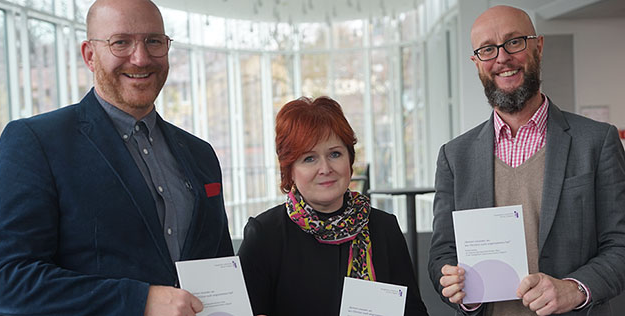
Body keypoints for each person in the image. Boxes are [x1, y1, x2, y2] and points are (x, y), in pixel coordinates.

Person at [0, 0, 233, 315]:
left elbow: (219, 266)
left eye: (154, 41)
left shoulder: (200, 154)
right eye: (121, 42)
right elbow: (5, 279)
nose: (141, 57)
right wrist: (139, 301)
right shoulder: (36, 142)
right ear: (89, 55)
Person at [428, 5, 625, 316]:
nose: (502, 58)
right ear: (476, 62)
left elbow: (620, 245)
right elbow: (442, 254)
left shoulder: (597, 142)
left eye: (514, 42)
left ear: (539, 46)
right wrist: (454, 284)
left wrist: (574, 289)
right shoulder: (455, 157)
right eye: (487, 49)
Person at [237, 96, 428, 316]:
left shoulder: (384, 228)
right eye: (309, 158)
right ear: (289, 170)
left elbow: (413, 310)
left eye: (335, 154)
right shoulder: (265, 235)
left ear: (350, 160)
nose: (325, 168)